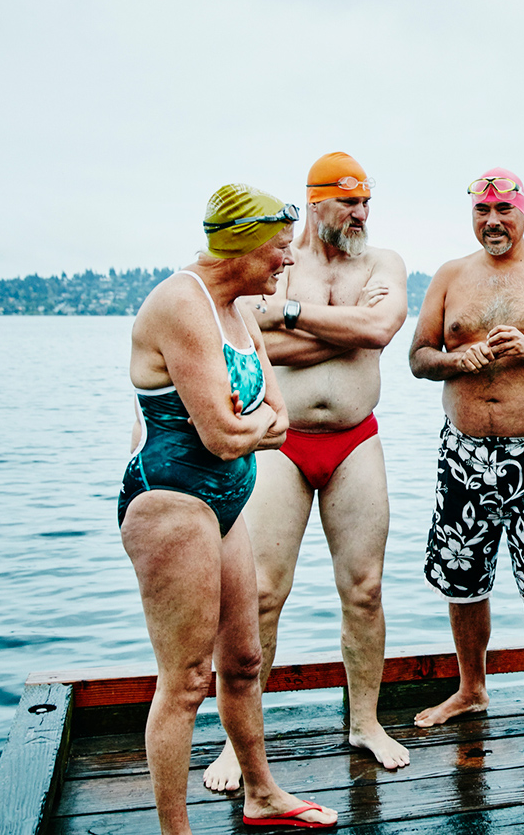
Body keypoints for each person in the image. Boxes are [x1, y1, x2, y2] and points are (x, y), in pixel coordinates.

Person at [117, 185, 335, 832]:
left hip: (226, 500)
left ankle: (262, 792)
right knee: (185, 679)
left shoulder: (236, 308)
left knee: (242, 660)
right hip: (171, 500)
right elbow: (222, 434)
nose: (285, 264)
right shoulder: (182, 303)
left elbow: (280, 415)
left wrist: (258, 424)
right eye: (278, 251)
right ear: (240, 247)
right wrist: (256, 425)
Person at [201, 153, 411, 790]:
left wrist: (288, 316)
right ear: (316, 202)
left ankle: (365, 721)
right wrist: (347, 332)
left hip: (356, 440)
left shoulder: (383, 264)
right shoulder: (279, 259)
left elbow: (379, 329)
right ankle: (240, 743)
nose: (361, 214)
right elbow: (252, 335)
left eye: (367, 202)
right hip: (280, 443)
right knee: (262, 593)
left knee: (365, 588)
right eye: (348, 203)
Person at [407, 168, 524, 756]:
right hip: (462, 451)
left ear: (523, 212)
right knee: (462, 581)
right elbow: (418, 357)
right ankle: (472, 689)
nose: (493, 222)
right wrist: (457, 360)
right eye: (482, 212)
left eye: (503, 211)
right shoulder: (449, 276)